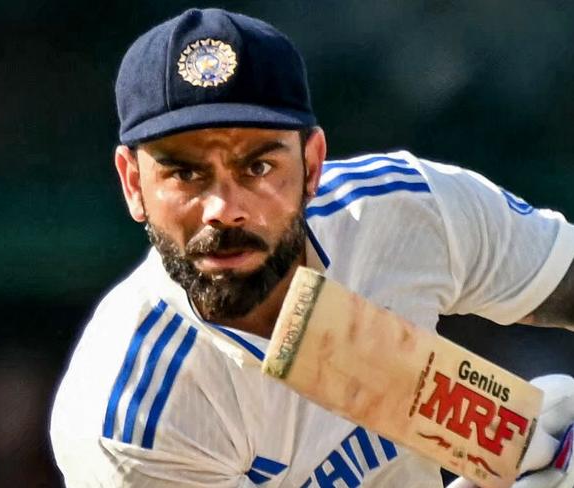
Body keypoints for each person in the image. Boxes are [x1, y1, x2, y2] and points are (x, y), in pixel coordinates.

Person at [50, 8, 574, 487]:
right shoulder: (131, 417)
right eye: (184, 173)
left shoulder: (404, 207)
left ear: (313, 164)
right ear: (134, 185)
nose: (223, 209)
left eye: (257, 167)